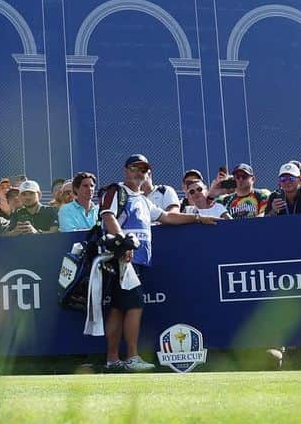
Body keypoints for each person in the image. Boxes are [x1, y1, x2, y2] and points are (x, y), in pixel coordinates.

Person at [93, 155, 219, 372]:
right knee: (131, 307)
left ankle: (113, 360)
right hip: (121, 259)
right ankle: (129, 357)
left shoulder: (143, 199)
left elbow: (167, 217)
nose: (139, 172)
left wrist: (198, 218)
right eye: (135, 168)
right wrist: (124, 243)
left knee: (119, 308)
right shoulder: (117, 191)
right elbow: (107, 216)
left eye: (144, 169)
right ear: (126, 170)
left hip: (135, 260)